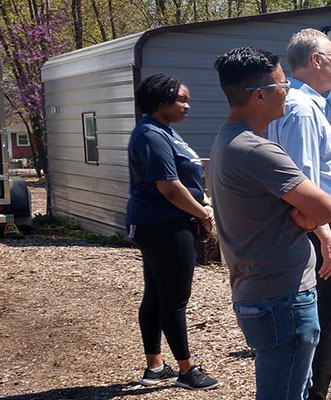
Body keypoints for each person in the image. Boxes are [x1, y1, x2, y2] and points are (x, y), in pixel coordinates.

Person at [211, 46, 331, 400]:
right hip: (283, 300)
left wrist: (300, 214)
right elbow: (328, 209)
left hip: (260, 293)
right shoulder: (257, 150)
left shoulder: (226, 141)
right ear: (260, 95)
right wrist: (307, 217)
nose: (288, 93)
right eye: (284, 86)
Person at [267, 28, 331, 400]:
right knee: (323, 314)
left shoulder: (307, 102)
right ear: (316, 61)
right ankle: (311, 392)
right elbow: (302, 179)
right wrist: (325, 237)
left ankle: (309, 387)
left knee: (325, 313)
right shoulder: (302, 110)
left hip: (324, 221)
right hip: (321, 224)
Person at [126, 73, 219, 390]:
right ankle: (186, 370)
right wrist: (203, 213)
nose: (187, 106)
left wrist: (201, 204)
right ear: (161, 101)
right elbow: (169, 187)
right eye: (182, 99)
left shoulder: (163, 133)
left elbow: (186, 179)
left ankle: (155, 366)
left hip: (162, 223)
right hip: (164, 224)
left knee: (156, 294)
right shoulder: (151, 134)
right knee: (174, 300)